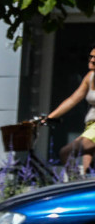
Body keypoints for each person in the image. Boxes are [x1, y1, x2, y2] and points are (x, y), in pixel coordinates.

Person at [46, 44, 95, 178]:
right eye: (91, 57)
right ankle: (77, 187)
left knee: (67, 152)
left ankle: (74, 187)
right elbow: (73, 99)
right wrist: (50, 117)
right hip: (90, 127)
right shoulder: (90, 77)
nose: (91, 61)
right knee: (87, 173)